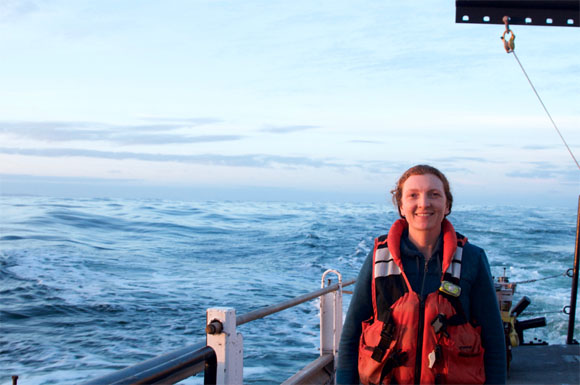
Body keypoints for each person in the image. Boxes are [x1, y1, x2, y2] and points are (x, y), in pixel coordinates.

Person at [337, 165, 506, 384]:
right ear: (401, 206)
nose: (424, 203)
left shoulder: (473, 259)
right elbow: (351, 336)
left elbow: (493, 341)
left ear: (447, 205)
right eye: (413, 195)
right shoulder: (378, 259)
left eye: (434, 195)